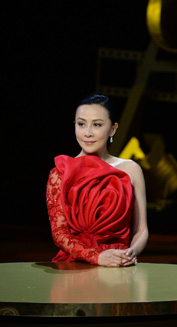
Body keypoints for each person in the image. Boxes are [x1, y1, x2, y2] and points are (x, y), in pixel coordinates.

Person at [46, 94, 148, 267]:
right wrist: (97, 257)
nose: (87, 133)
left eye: (97, 125)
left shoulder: (131, 169)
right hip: (75, 267)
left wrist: (129, 253)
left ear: (113, 129)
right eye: (81, 124)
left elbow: (141, 230)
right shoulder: (60, 172)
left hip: (119, 264)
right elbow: (59, 234)